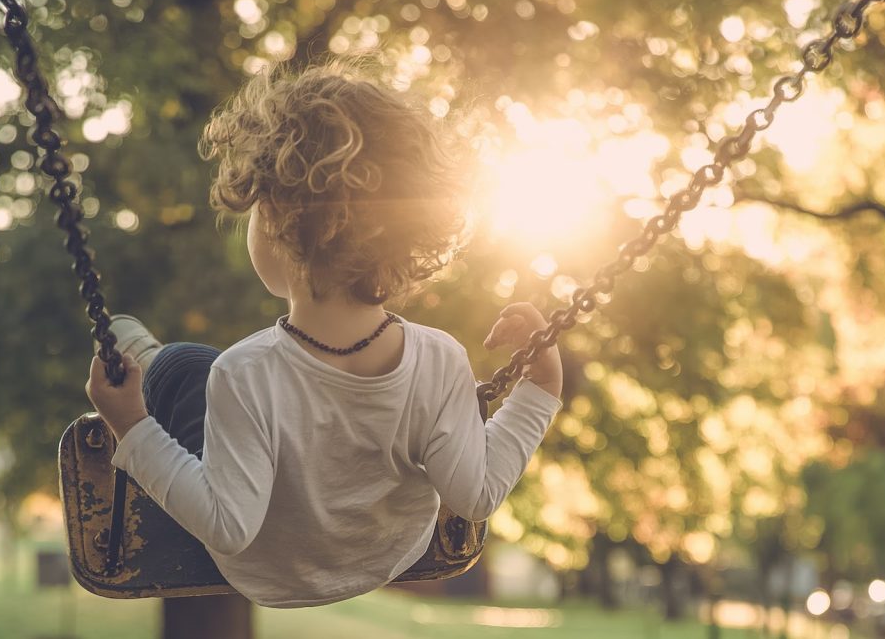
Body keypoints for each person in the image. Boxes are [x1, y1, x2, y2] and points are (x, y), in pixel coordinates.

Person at [84, 60, 563, 609]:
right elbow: (476, 495)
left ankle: (147, 361)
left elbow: (227, 526)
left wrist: (131, 426)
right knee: (204, 374)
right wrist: (539, 390)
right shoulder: (441, 360)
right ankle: (151, 358)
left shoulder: (242, 374)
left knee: (184, 367)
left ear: (283, 219)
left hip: (269, 573)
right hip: (388, 557)